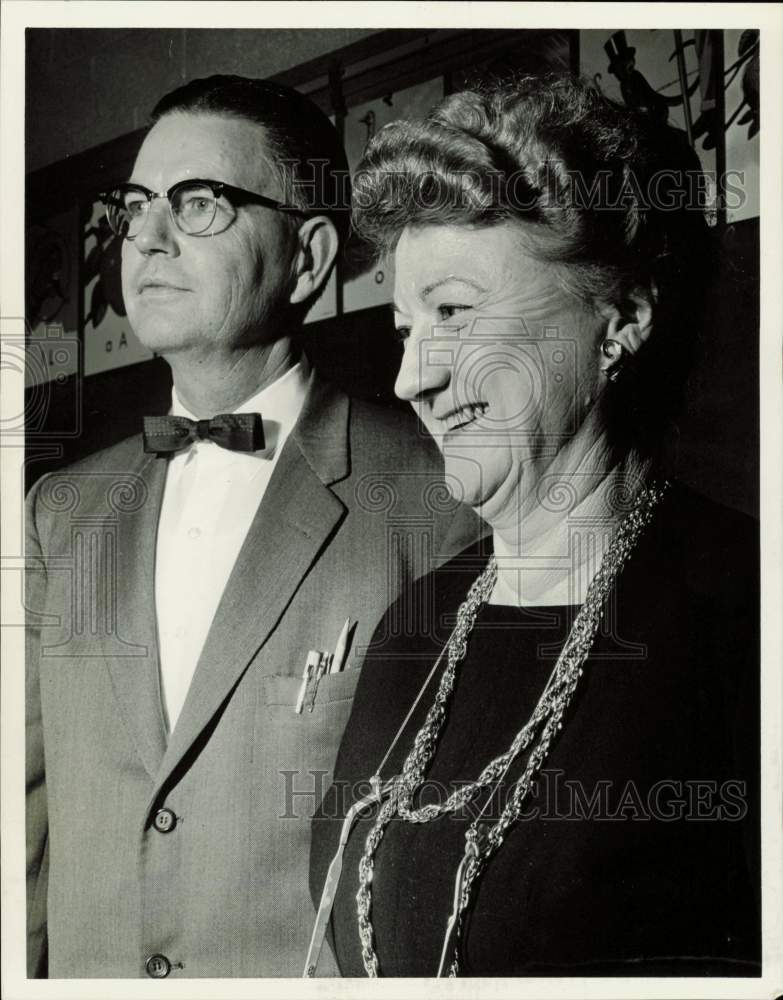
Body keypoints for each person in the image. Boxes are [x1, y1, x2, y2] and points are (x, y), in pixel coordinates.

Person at [25, 75, 481, 979]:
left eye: (199, 204)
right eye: (136, 206)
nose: (145, 237)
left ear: (308, 258)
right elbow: (21, 828)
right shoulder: (56, 512)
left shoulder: (442, 497)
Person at [310, 76, 760, 977]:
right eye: (404, 327)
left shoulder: (744, 614)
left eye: (454, 314)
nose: (411, 379)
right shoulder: (416, 623)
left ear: (620, 320)